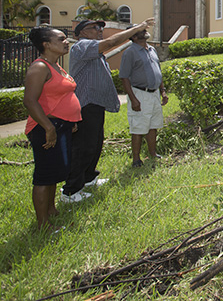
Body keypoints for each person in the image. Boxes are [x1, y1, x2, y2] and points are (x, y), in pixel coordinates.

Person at [61, 17, 155, 202]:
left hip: (95, 104)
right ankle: (71, 190)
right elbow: (112, 42)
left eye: (100, 28)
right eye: (94, 27)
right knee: (83, 146)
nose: (99, 30)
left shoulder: (93, 50)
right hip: (86, 104)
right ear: (82, 33)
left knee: (95, 143)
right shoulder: (82, 46)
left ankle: (89, 178)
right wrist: (138, 27)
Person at [23, 27, 81, 230]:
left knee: (55, 172)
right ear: (46, 44)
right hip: (46, 127)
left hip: (60, 126)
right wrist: (48, 128)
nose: (67, 41)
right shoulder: (40, 67)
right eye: (61, 39)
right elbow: (30, 101)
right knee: (44, 174)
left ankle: (51, 209)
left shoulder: (56, 66)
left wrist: (70, 121)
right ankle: (42, 224)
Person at [119, 26, 168, 167]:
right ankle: (136, 159)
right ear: (134, 37)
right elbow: (124, 77)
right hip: (140, 93)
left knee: (153, 125)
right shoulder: (130, 53)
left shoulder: (151, 49)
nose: (144, 31)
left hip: (154, 94)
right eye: (140, 30)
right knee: (138, 127)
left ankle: (152, 153)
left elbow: (158, 71)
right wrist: (134, 99)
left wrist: (162, 91)